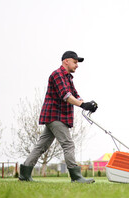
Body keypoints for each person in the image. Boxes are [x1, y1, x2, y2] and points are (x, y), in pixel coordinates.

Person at [19, 51, 98, 183]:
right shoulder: (57, 75)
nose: (77, 65)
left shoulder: (68, 77)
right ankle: (76, 177)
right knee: (68, 144)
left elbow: (75, 95)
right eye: (75, 62)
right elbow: (66, 96)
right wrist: (82, 104)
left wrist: (87, 104)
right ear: (66, 61)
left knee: (41, 146)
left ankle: (24, 174)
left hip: (56, 116)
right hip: (55, 115)